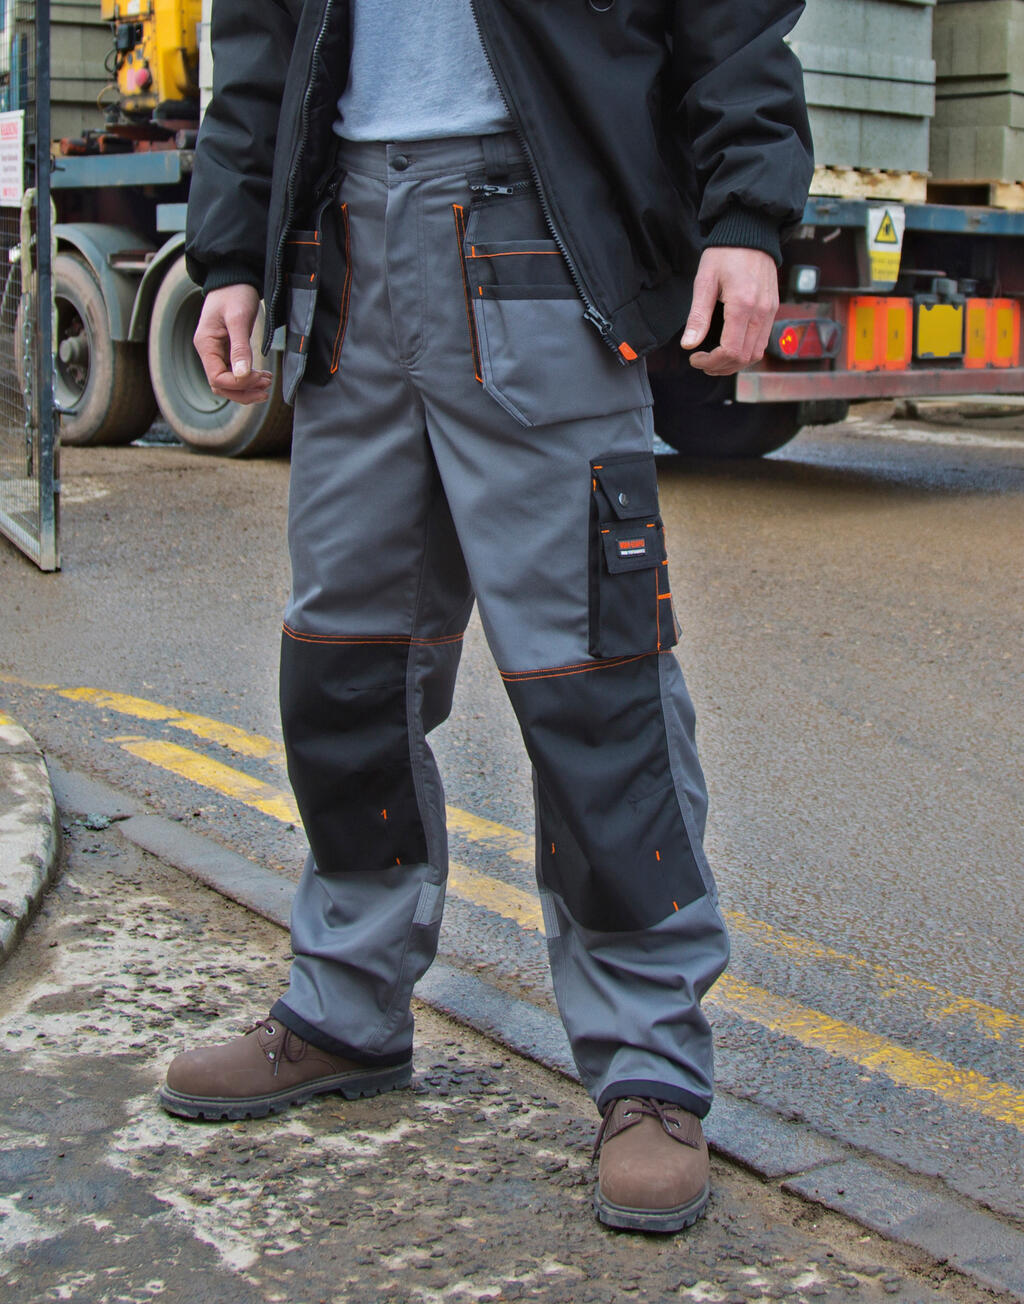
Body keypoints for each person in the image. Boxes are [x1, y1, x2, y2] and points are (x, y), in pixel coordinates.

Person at [160, 0, 812, 1234]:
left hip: (536, 226)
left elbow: (726, 12)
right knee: (343, 668)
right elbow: (255, 36)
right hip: (345, 246)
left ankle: (649, 1066)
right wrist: (231, 251)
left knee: (592, 678)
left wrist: (745, 211)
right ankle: (344, 1004)